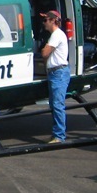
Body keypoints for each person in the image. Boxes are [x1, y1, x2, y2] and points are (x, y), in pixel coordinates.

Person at [40, 11, 70, 143]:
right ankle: (57, 133)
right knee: (54, 104)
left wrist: (44, 51)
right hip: (54, 72)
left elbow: (45, 52)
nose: (44, 22)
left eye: (46, 20)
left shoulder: (56, 35)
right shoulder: (55, 35)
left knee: (57, 104)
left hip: (59, 72)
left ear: (53, 20)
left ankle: (59, 135)